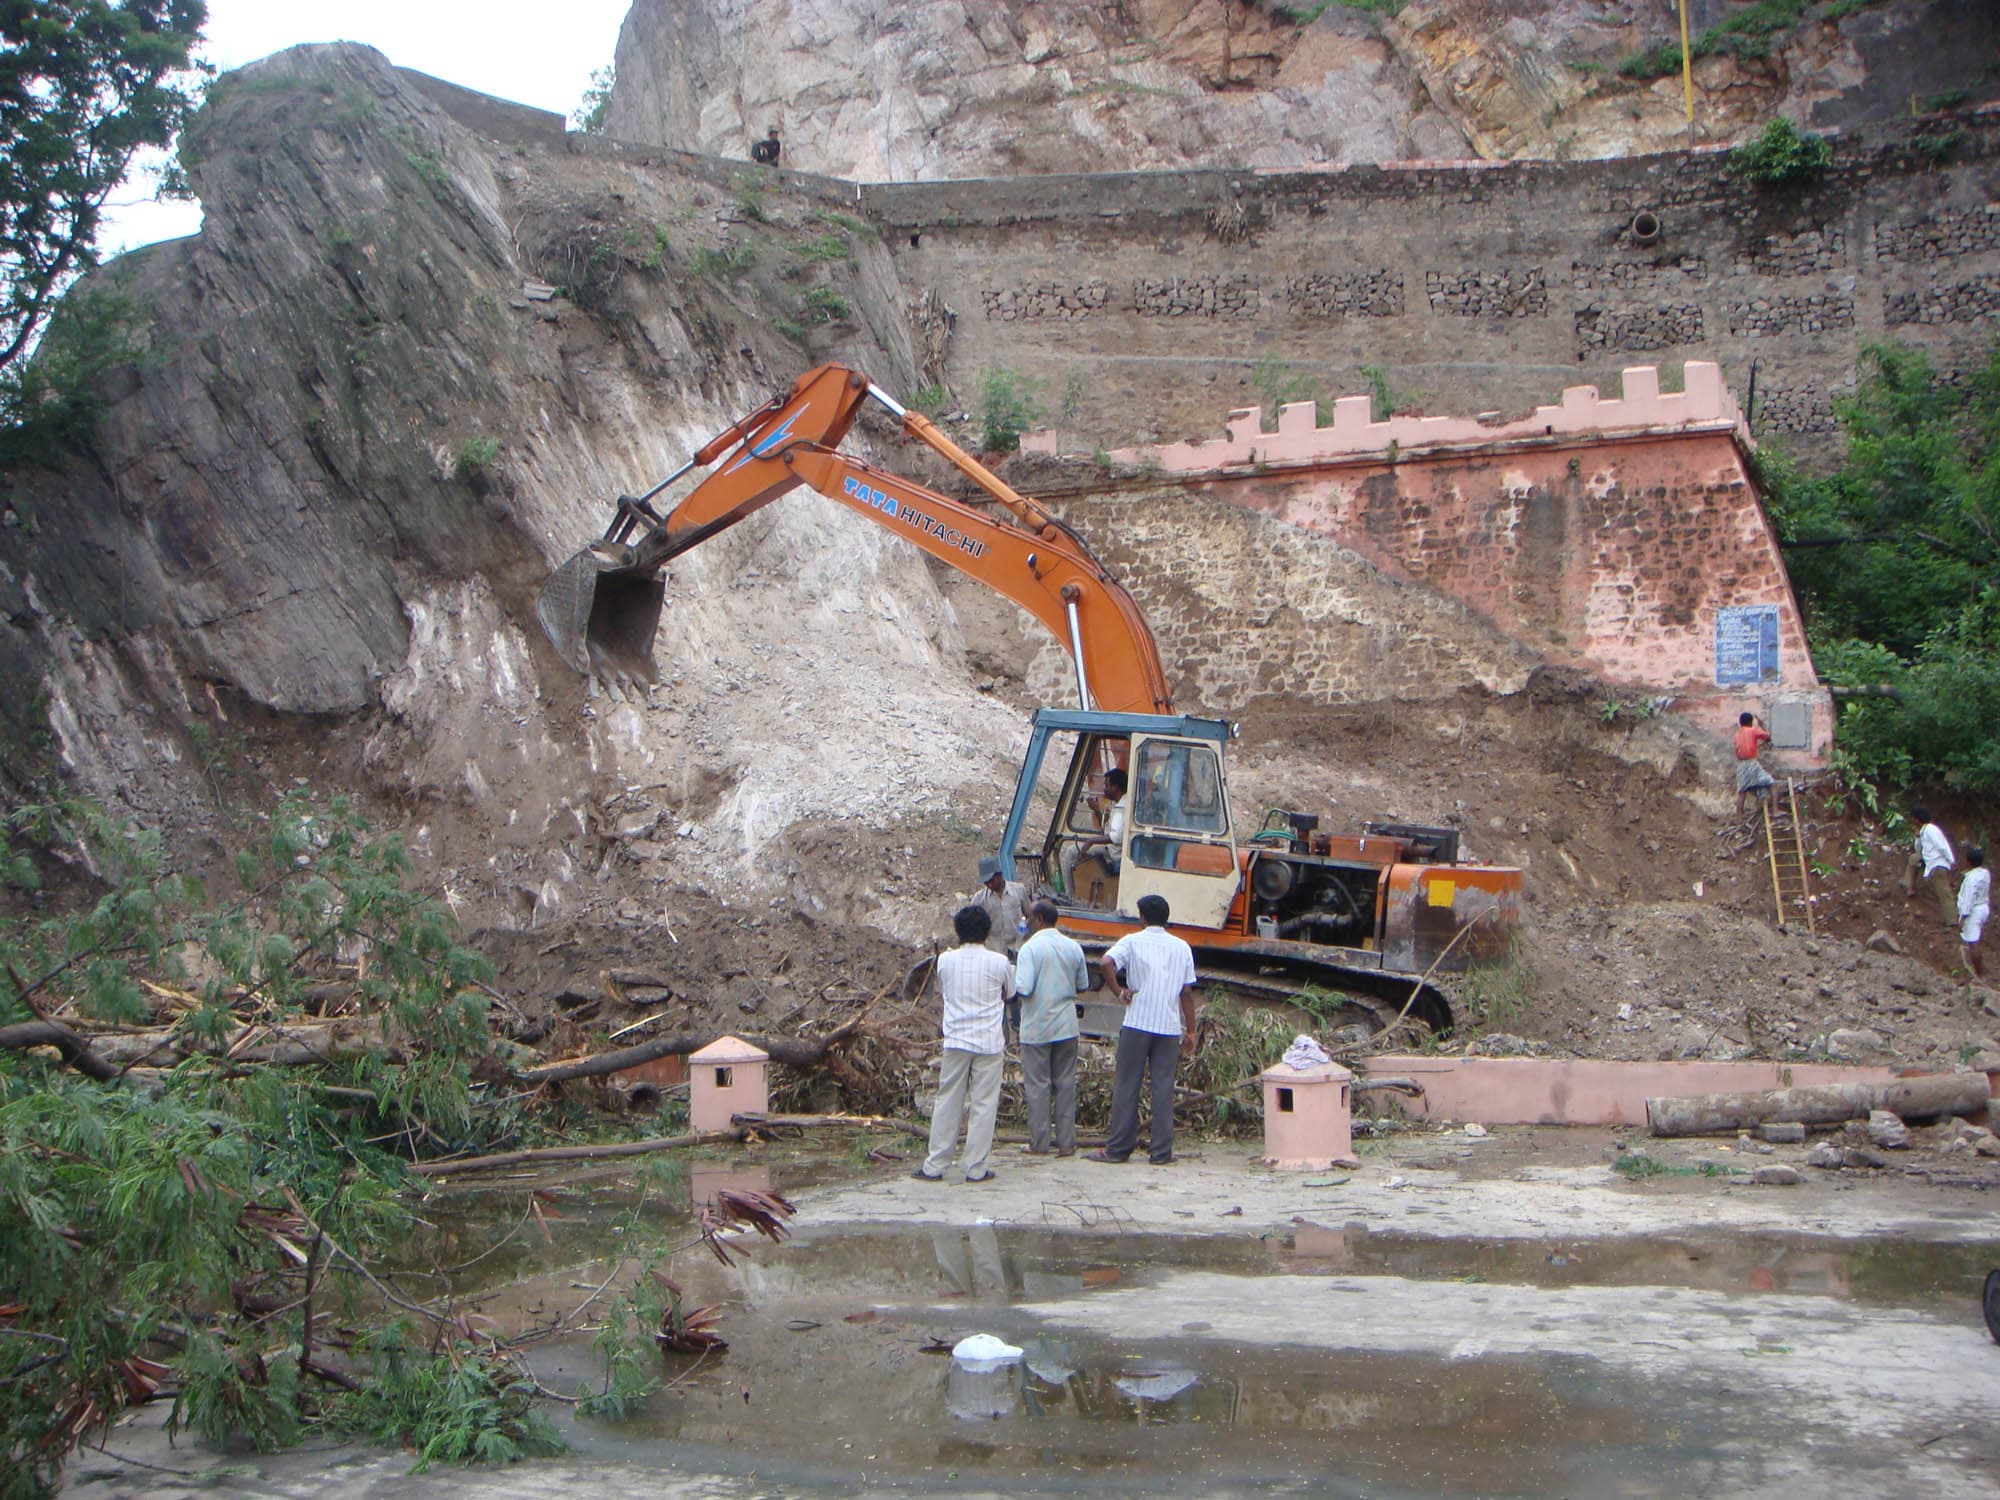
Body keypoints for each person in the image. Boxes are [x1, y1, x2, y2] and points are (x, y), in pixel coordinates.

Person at [1087, 894, 1198, 1167]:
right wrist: (1191, 1032)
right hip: (1168, 1027)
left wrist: (1119, 992)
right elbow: (1186, 992)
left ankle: (1118, 1150)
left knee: (1127, 1086)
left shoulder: (1132, 941)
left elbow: (1105, 962)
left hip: (1137, 1023)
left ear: (1143, 917)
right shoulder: (1182, 947)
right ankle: (1161, 1153)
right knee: (1162, 1089)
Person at [915, 905, 1013, 1184]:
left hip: (956, 1039)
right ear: (987, 931)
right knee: (984, 1105)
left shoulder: (945, 961)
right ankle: (975, 1168)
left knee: (948, 1099)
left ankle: (935, 1165)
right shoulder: (1000, 962)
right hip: (989, 1041)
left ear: (958, 931)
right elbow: (1010, 994)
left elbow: (945, 991)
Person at [1012, 900, 1089, 1156]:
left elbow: (1024, 988)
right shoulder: (1073, 947)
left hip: (1037, 1028)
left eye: (1030, 917)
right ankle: (1067, 1143)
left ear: (1040, 919)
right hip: (1066, 1026)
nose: (1027, 921)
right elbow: (1083, 985)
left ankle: (1039, 1143)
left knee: (1038, 1086)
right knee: (1066, 1084)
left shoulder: (1029, 949)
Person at [1904, 806, 1957, 929]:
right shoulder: (1923, 832)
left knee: (1944, 893)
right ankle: (1909, 886)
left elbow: (1942, 846)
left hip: (1937, 864)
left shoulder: (1931, 830)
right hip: (1929, 862)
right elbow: (1918, 850)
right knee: (1913, 858)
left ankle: (1952, 920)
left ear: (1917, 819)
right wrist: (1917, 837)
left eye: (1913, 818)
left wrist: (1951, 860)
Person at [970, 856, 1028, 958]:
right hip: (993, 951)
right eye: (986, 882)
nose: (989, 885)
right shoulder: (979, 899)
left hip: (1018, 948)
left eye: (991, 881)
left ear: (1000, 875)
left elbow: (1029, 915)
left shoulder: (1019, 891)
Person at [1079, 767, 1129, 873]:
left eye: (1107, 785)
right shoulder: (1119, 804)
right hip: (1110, 850)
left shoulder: (1122, 808)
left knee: (1072, 853)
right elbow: (1107, 830)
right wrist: (1097, 810)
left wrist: (1091, 841)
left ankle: (1071, 890)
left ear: (1115, 787)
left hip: (1114, 855)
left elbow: (1115, 837)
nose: (1104, 789)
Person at [1733, 711, 1774, 817]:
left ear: (1740, 723)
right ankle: (1776, 810)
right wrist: (1761, 725)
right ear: (1751, 722)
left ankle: (1739, 819)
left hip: (1741, 765)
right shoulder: (1753, 730)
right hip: (1751, 763)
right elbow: (1768, 737)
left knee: (1742, 793)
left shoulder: (1737, 734)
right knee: (1772, 784)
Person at [1959, 848, 1990, 981]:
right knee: (1975, 940)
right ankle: (1981, 969)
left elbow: (1968, 899)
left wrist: (1963, 917)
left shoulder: (1971, 879)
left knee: (1973, 943)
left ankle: (1979, 974)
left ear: (1969, 862)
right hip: (1984, 906)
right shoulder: (1985, 873)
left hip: (1974, 911)